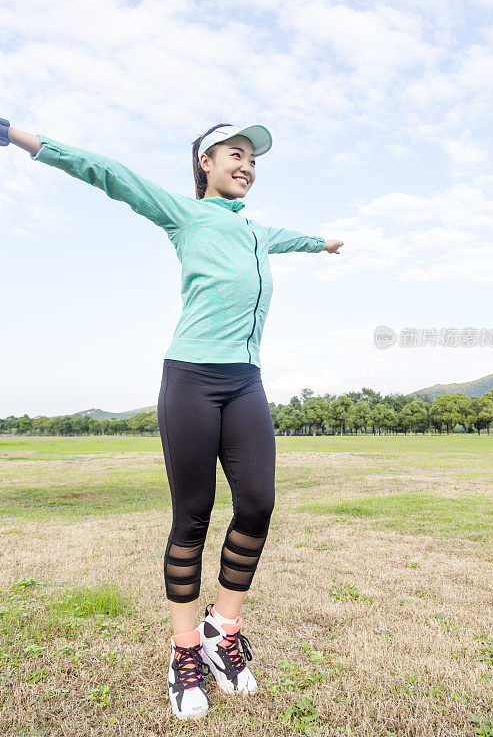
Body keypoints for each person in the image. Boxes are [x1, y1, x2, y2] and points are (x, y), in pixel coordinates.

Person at [1, 118, 344, 720]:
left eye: (253, 159)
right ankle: (184, 649)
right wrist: (21, 137)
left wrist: (322, 243)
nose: (247, 165)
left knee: (258, 503)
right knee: (193, 515)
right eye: (235, 154)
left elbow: (286, 238)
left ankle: (222, 629)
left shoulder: (258, 231)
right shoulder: (186, 216)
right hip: (190, 378)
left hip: (246, 381)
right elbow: (109, 174)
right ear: (205, 165)